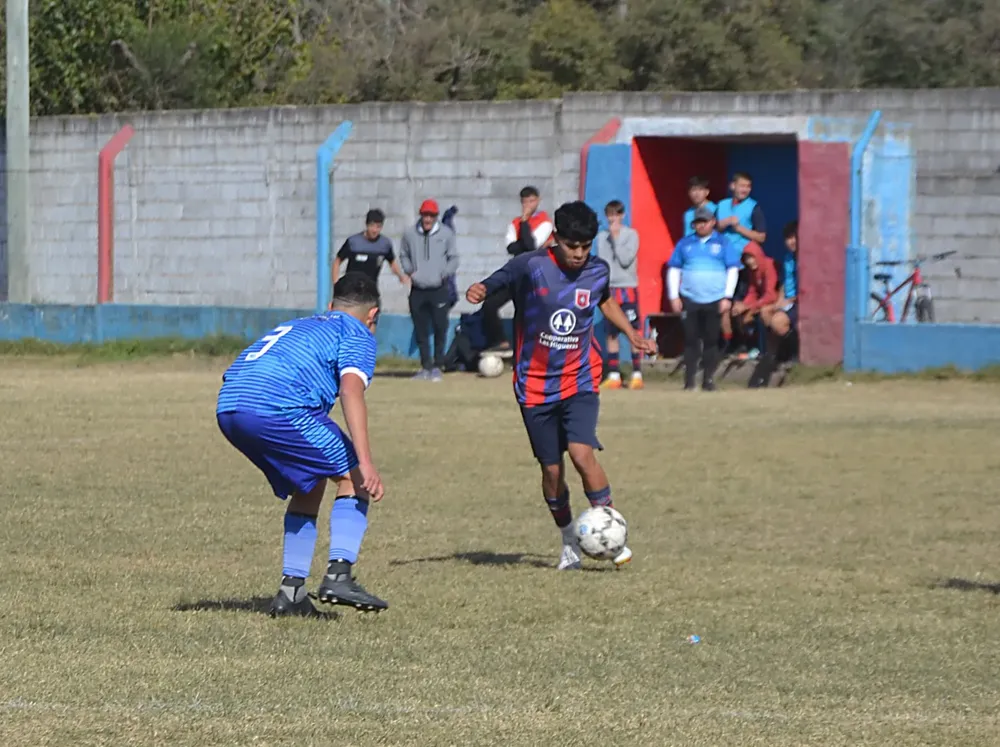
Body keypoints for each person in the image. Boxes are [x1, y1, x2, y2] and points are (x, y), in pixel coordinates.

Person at [465, 201, 656, 570]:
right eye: (573, 246)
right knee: (552, 471)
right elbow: (500, 279)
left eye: (586, 247)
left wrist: (632, 335)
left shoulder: (597, 271)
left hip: (580, 379)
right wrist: (481, 289)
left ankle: (610, 532)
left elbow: (605, 301)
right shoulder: (532, 266)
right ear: (556, 239)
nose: (580, 254)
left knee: (582, 453)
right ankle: (569, 535)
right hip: (534, 387)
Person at [216, 272, 388, 618]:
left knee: (308, 481)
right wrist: (365, 462)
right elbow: (351, 390)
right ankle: (339, 575)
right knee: (352, 476)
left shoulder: (302, 325)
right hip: (275, 408)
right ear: (374, 316)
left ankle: (292, 593)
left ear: (330, 306)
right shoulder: (356, 333)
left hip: (229, 405)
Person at [665, 205, 742, 391]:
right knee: (691, 340)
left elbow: (732, 270)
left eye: (704, 222)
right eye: (697, 222)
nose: (700, 226)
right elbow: (674, 269)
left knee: (711, 340)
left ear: (713, 222)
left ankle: (708, 379)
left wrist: (727, 297)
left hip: (715, 298)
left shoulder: (723, 243)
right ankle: (689, 381)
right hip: (690, 298)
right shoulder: (685, 243)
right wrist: (674, 296)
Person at [482, 186, 554, 353]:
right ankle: (500, 341)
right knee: (490, 304)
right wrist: (523, 225)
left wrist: (525, 224)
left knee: (525, 312)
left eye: (531, 201)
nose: (527, 205)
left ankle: (529, 351)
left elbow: (530, 245)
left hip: (537, 273)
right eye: (525, 202)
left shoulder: (545, 222)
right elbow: (511, 247)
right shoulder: (515, 222)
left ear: (537, 201)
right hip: (517, 271)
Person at [400, 199, 460, 382]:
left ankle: (437, 366)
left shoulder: (446, 234)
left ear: (435, 217)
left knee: (440, 327)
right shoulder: (410, 234)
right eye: (425, 215)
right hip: (417, 289)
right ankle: (425, 366)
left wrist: (444, 274)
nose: (427, 219)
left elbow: (454, 258)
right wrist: (410, 271)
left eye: (431, 215)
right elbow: (403, 254)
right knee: (420, 330)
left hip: (438, 288)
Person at [595, 200, 644, 390]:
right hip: (610, 288)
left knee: (632, 330)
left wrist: (616, 239)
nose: (613, 219)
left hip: (627, 287)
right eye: (610, 215)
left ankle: (637, 373)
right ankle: (614, 374)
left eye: (616, 214)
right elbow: (602, 263)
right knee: (611, 333)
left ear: (622, 215)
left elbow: (625, 260)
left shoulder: (632, 235)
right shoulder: (601, 237)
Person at [716, 172, 767, 353]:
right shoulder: (721, 205)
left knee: (739, 305)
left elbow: (761, 236)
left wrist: (739, 228)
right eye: (741, 185)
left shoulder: (754, 207)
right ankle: (728, 343)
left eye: (748, 186)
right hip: (722, 264)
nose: (744, 189)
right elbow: (713, 229)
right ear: (732, 186)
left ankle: (746, 344)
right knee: (722, 305)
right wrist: (723, 224)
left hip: (743, 266)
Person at [752, 221, 799, 388]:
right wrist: (779, 301)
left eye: (794, 237)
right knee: (765, 313)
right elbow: (786, 284)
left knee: (778, 322)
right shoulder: (787, 258)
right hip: (788, 300)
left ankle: (794, 353)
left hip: (800, 302)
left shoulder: (805, 258)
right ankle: (770, 357)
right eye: (788, 239)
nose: (791, 242)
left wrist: (789, 302)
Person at [332, 209, 408, 289]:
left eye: (378, 226)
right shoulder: (353, 242)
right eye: (372, 226)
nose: (375, 230)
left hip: (371, 291)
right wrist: (336, 284)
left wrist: (401, 276)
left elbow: (392, 263)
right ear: (366, 225)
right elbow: (337, 262)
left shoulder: (385, 244)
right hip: (351, 290)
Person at [728, 242, 778, 359]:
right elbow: (752, 292)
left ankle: (765, 351)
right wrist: (742, 305)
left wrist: (750, 307)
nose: (750, 262)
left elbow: (771, 295)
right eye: (747, 259)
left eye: (752, 257)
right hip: (761, 302)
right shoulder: (752, 271)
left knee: (761, 315)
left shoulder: (769, 266)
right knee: (740, 316)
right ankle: (751, 347)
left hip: (775, 302)